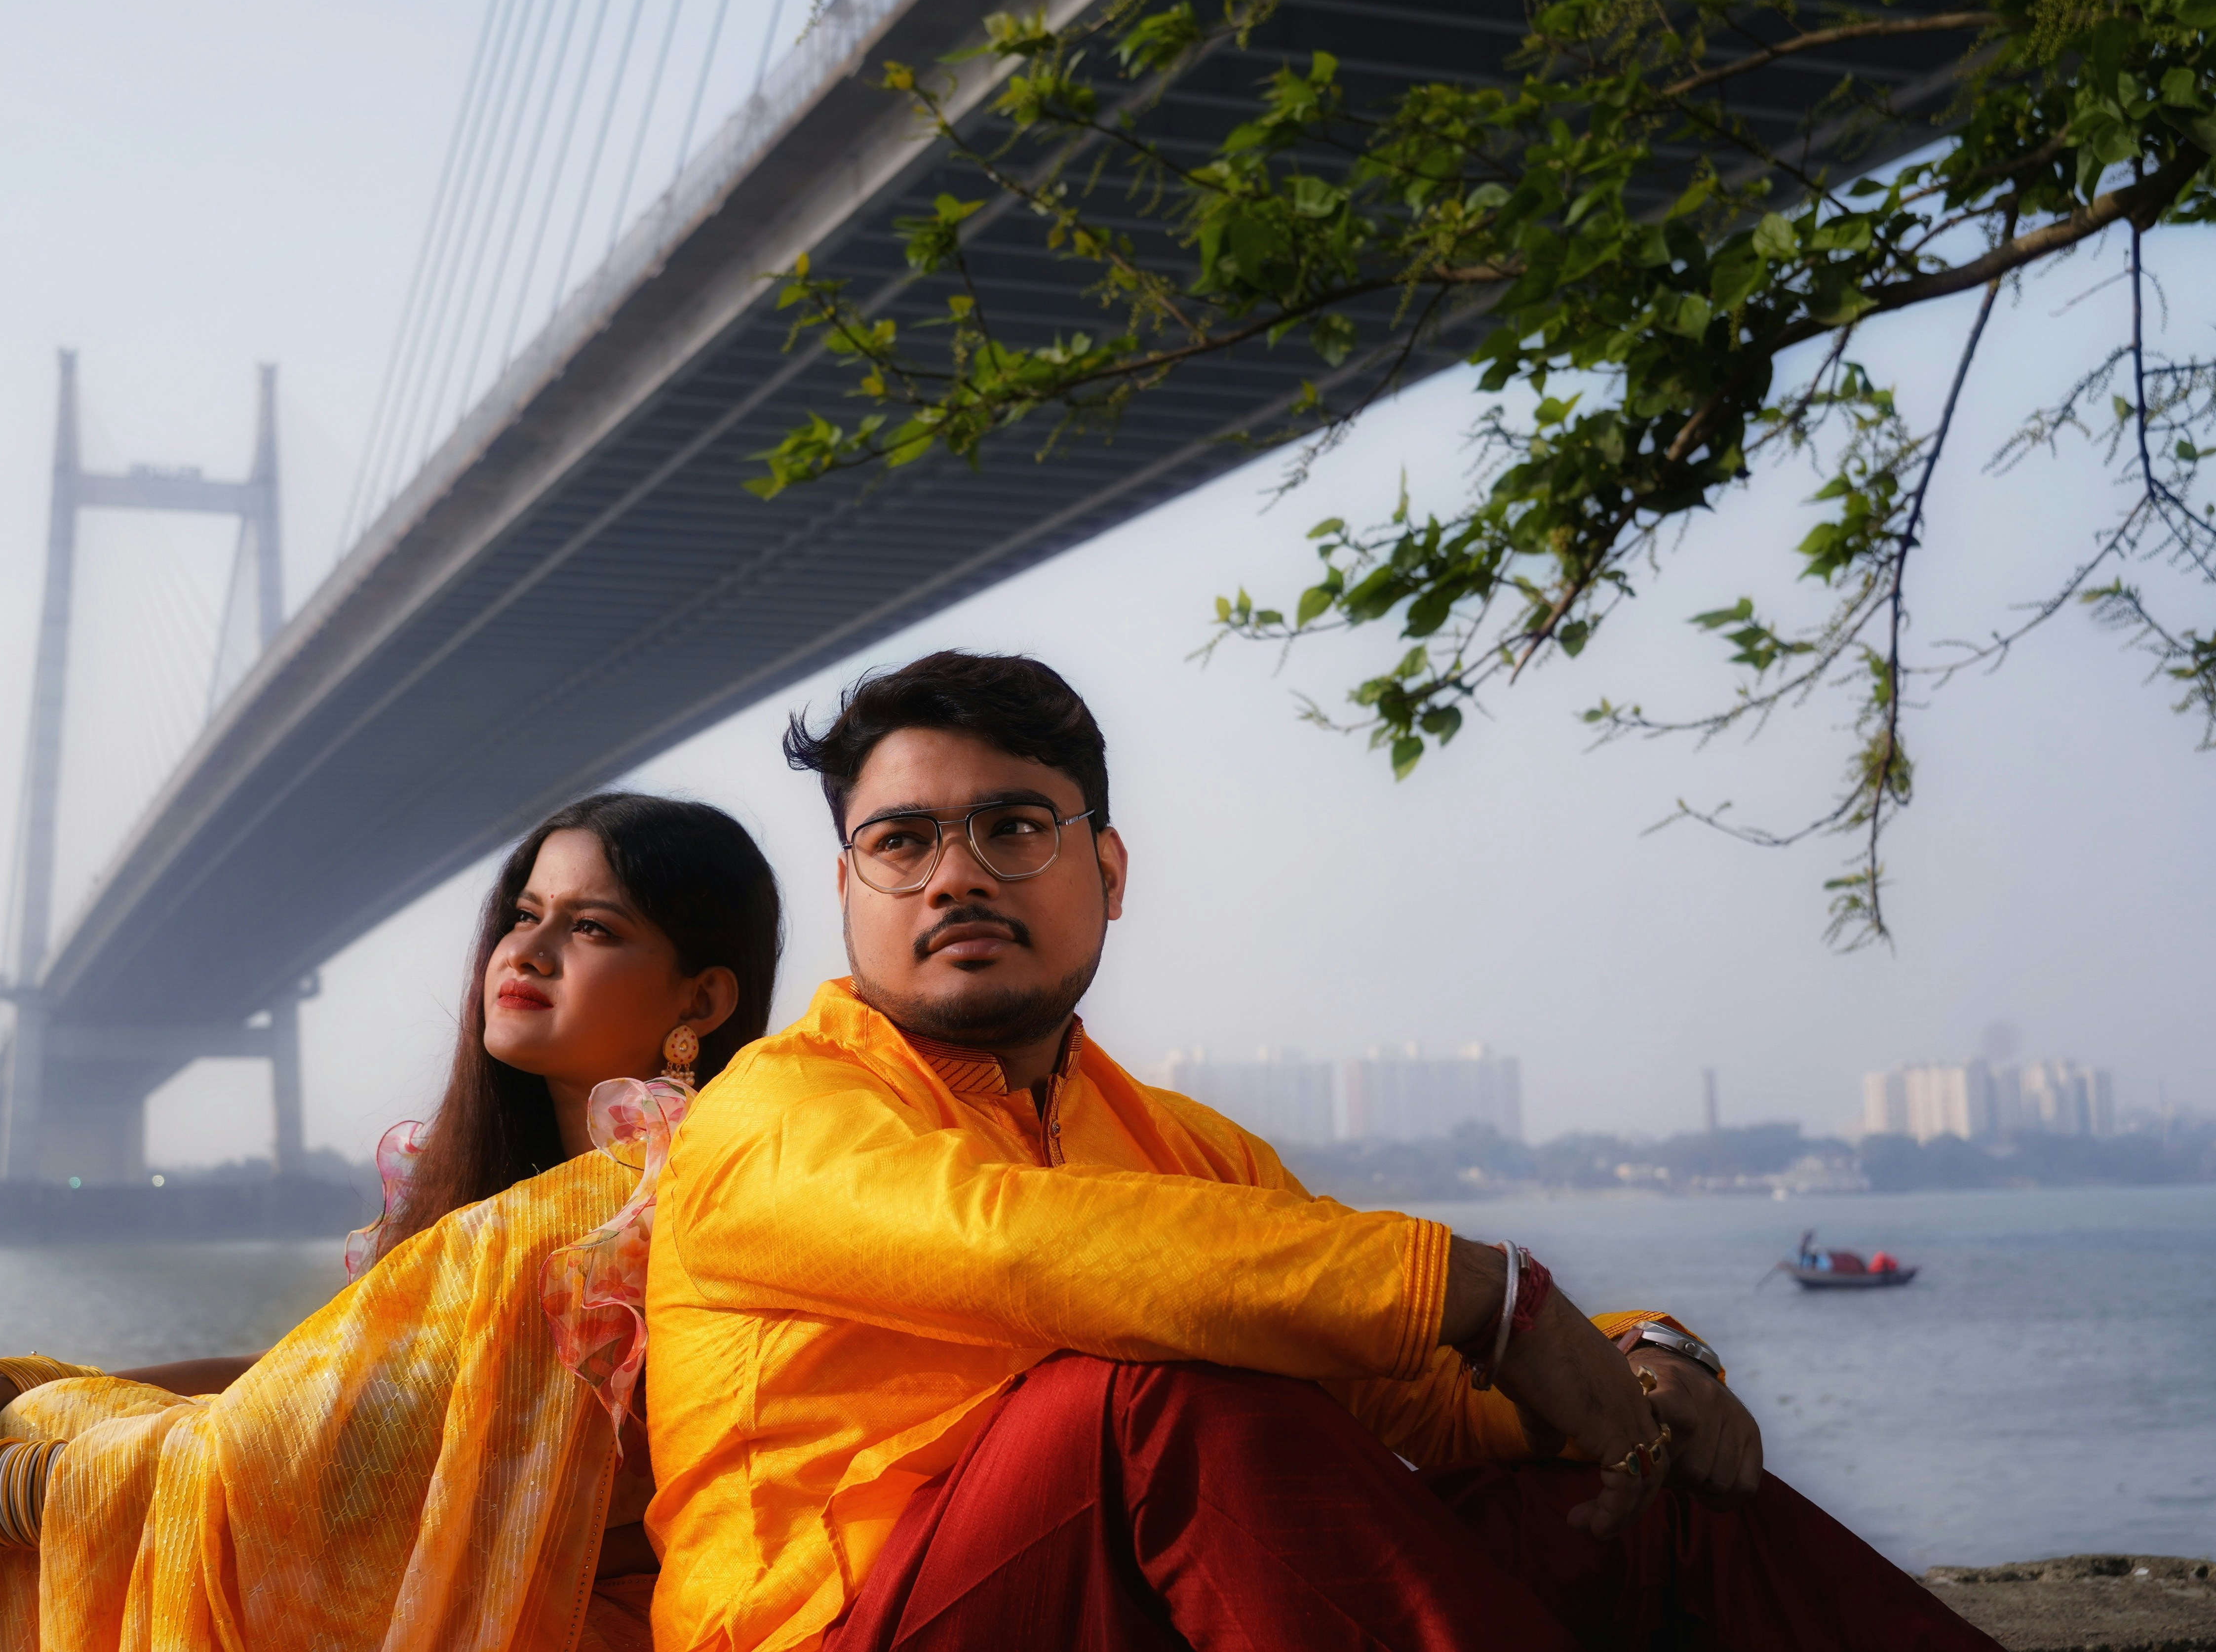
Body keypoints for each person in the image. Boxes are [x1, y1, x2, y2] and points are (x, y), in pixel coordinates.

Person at [642, 652, 2002, 1652]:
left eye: (1012, 828)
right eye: (900, 842)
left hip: (1128, 1612)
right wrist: (1483, 1290)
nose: (955, 876)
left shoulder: (1184, 1150)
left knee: (1637, 1489)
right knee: (1149, 1395)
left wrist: (1641, 1356)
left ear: (1108, 873)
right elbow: (1016, 1244)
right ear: (848, 892)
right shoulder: (768, 1116)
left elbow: (1407, 1392)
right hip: (848, 1628)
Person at [0, 791, 781, 1652]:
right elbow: (308, 1382)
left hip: (530, 1620)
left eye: (589, 926)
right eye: (524, 913)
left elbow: (263, 1464)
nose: (528, 948)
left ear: (701, 1000)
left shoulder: (637, 1202)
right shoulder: (528, 1198)